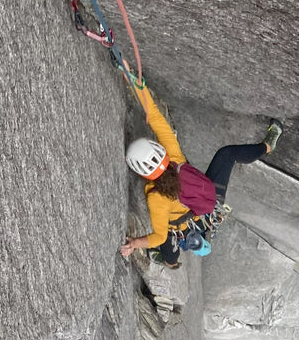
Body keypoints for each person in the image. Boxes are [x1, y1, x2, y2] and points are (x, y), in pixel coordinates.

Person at [119, 73, 283, 268]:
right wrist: (135, 83)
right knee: (227, 155)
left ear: (143, 173)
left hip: (197, 215)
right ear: (160, 151)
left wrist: (136, 243)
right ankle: (266, 147)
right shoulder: (174, 158)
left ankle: (170, 262)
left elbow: (159, 236)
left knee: (171, 259)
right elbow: (155, 117)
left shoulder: (157, 198)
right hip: (207, 200)